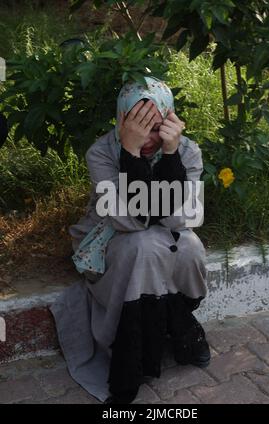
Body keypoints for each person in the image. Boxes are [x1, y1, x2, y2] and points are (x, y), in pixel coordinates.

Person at [50, 76, 210, 405]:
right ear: (122, 121)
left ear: (171, 122)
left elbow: (184, 217)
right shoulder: (102, 152)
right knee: (144, 245)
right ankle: (131, 357)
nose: (148, 138)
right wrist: (129, 153)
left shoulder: (187, 151)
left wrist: (170, 155)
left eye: (157, 128)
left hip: (161, 236)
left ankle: (180, 322)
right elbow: (127, 220)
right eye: (138, 127)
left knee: (190, 247)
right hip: (111, 240)